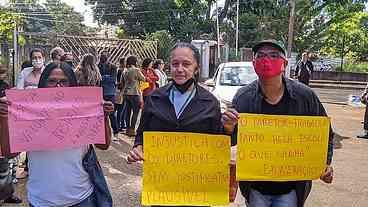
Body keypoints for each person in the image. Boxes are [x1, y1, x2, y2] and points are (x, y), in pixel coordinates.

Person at [221, 40, 334, 207]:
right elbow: (233, 143)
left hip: (291, 189)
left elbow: (325, 135)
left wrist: (324, 164)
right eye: (260, 56)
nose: (266, 60)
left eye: (274, 56)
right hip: (255, 188)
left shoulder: (305, 96)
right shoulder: (243, 97)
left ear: (285, 63)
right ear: (254, 63)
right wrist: (228, 129)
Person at [0, 62, 113, 207]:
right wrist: (3, 118)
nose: (58, 86)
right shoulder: (28, 111)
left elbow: (103, 145)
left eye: (64, 82)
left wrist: (102, 117)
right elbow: (9, 153)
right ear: (43, 84)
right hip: (42, 200)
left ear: (72, 84)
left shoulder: (83, 107)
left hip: (82, 197)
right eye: (52, 81)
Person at [127, 42, 223, 170]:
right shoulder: (154, 99)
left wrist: (229, 128)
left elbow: (219, 142)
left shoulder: (210, 103)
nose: (179, 69)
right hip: (161, 179)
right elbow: (141, 134)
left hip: (197, 179)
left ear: (197, 68)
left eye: (186, 64)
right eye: (175, 64)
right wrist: (137, 148)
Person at [0, 64, 22, 204]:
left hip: (5, 128)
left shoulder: (5, 86)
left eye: (3, 72)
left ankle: (7, 194)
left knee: (7, 164)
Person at [122, 56, 145, 137]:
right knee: (135, 112)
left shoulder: (125, 70)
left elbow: (122, 82)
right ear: (134, 61)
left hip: (126, 93)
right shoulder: (136, 70)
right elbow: (143, 79)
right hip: (134, 93)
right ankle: (132, 130)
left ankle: (127, 129)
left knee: (127, 112)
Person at [98, 51, 119, 138]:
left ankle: (115, 132)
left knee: (111, 113)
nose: (103, 57)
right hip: (100, 92)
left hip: (110, 92)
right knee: (100, 114)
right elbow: (97, 78)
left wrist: (102, 77)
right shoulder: (97, 66)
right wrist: (106, 77)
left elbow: (113, 79)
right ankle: (101, 133)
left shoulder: (113, 67)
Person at [115, 57, 127, 133]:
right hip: (121, 92)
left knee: (121, 109)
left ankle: (121, 124)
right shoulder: (121, 70)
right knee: (120, 109)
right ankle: (118, 125)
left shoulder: (119, 70)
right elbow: (120, 83)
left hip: (119, 91)